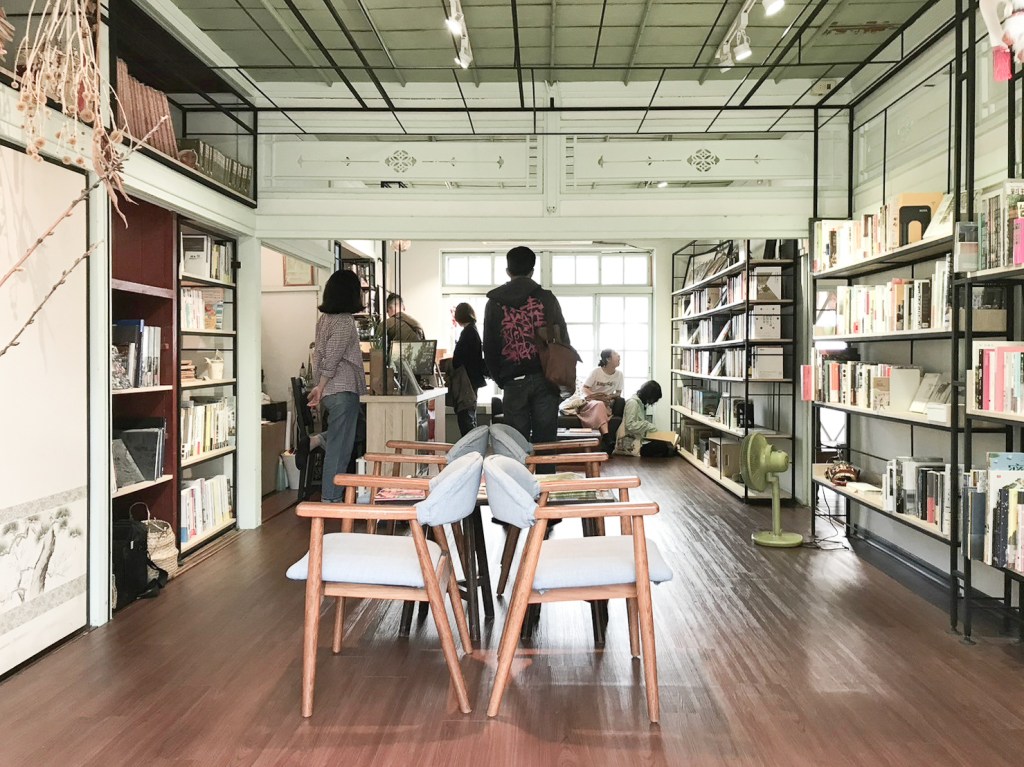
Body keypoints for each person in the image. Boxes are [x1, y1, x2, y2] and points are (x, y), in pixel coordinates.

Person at [483, 246, 569, 448]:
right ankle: (545, 469)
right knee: (546, 443)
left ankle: (517, 471)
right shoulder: (547, 299)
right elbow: (563, 339)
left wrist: (502, 379)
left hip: (513, 380)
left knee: (515, 446)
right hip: (546, 379)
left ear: (508, 271)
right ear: (532, 271)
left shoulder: (494, 303)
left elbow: (489, 347)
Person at [299, 269, 367, 501]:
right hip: (342, 390)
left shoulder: (324, 320)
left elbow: (318, 355)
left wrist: (319, 385)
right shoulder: (345, 321)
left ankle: (318, 439)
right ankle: (331, 498)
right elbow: (332, 357)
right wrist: (320, 387)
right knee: (340, 450)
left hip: (332, 391)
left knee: (358, 431)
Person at [451, 302, 488, 435]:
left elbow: (458, 359)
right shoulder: (473, 331)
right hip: (472, 379)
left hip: (467, 380)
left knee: (466, 417)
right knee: (469, 415)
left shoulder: (468, 333)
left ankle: (470, 445)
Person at [576, 349, 624, 450]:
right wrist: (596, 396)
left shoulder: (619, 375)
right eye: (615, 354)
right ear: (608, 359)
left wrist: (609, 397)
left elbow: (618, 393)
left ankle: (606, 438)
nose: (619, 356)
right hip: (590, 403)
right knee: (599, 404)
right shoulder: (596, 372)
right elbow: (584, 388)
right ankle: (606, 437)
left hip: (606, 404)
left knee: (601, 405)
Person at [615, 380, 674, 457]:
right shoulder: (633, 403)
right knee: (662, 446)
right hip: (631, 444)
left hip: (638, 441)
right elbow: (630, 425)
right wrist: (647, 425)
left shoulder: (640, 404)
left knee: (665, 446)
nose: (652, 403)